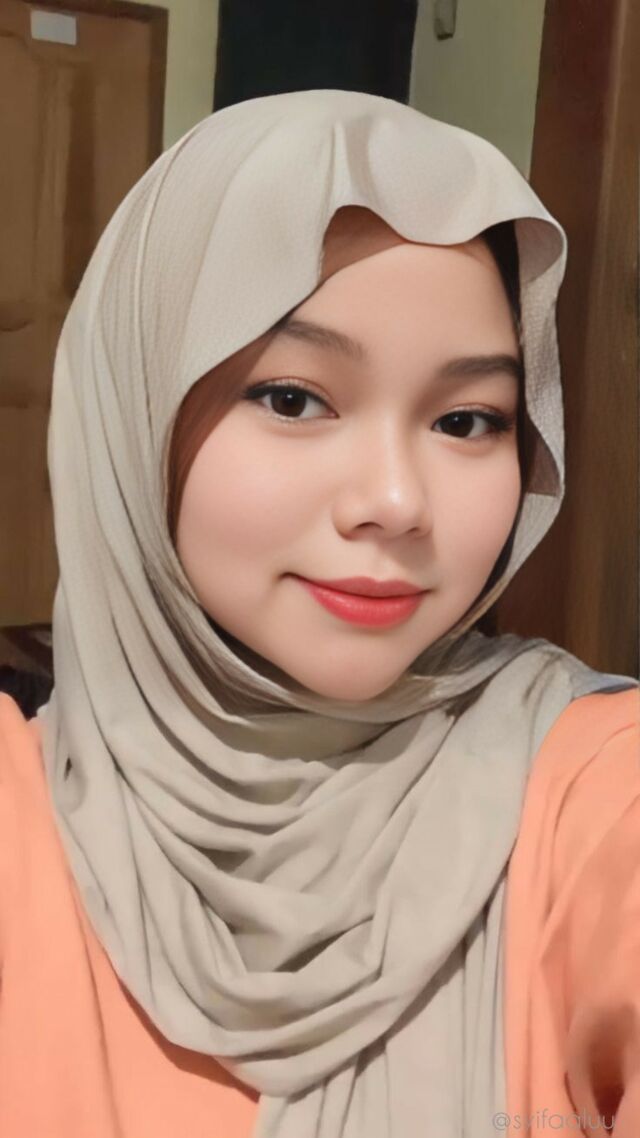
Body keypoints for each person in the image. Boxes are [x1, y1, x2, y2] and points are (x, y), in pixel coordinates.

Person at [0, 89, 637, 1138]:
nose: (394, 501)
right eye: (293, 398)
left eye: (466, 420)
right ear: (135, 414)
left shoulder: (594, 785)